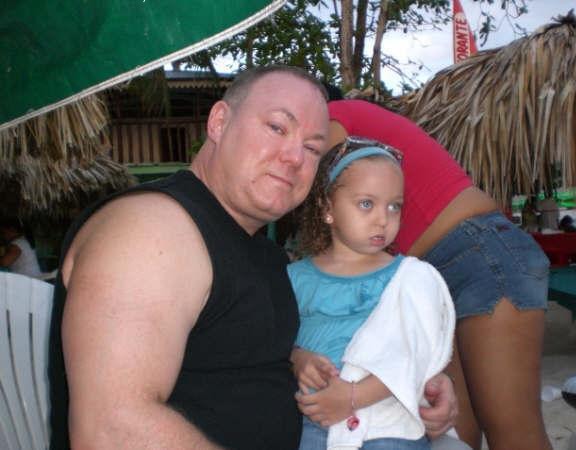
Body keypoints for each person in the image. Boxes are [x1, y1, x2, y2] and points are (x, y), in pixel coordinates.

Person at [47, 66, 457, 450]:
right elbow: (112, 429)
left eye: (312, 148)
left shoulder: (266, 257)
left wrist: (404, 387)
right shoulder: (152, 227)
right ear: (219, 122)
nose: (295, 157)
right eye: (277, 128)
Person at [326, 99, 552, 450]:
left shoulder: (332, 116)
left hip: (481, 254)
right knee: (449, 433)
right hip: (433, 276)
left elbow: (317, 193)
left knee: (513, 433)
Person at [289, 138, 456, 450]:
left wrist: (353, 397)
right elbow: (276, 342)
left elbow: (414, 354)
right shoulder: (295, 278)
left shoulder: (409, 279)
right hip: (316, 416)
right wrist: (298, 358)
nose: (383, 219)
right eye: (366, 204)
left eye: (394, 206)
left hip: (388, 421)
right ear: (328, 208)